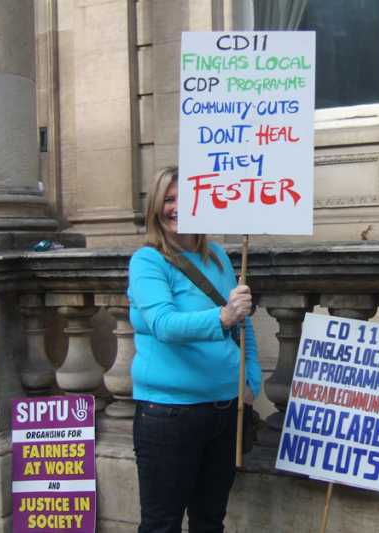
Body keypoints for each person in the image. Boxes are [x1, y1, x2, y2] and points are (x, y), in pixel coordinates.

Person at [127, 166, 261, 533]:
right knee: (161, 524)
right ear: (156, 207)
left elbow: (244, 324)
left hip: (225, 411)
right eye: (169, 199)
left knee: (209, 521)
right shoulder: (147, 261)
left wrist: (251, 382)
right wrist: (222, 316)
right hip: (169, 417)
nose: (177, 207)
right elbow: (164, 325)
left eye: (186, 198)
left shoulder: (217, 256)